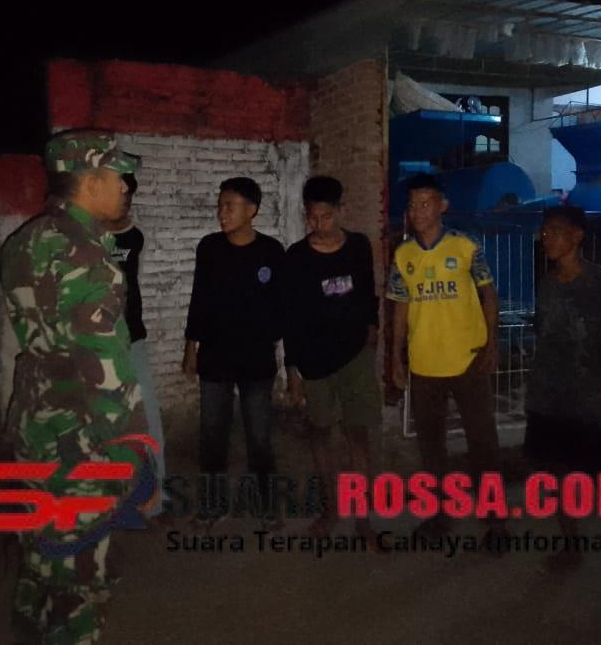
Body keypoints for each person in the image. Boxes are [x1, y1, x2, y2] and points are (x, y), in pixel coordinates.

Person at [0, 129, 155, 644]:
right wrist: (134, 457)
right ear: (89, 182)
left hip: (34, 422)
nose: (125, 185)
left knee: (41, 549)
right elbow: (106, 375)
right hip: (80, 439)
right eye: (118, 175)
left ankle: (33, 625)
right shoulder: (90, 261)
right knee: (83, 573)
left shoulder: (23, 242)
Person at [526, 204, 601, 599]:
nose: (547, 238)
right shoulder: (547, 283)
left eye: (555, 231)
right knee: (555, 473)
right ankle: (571, 545)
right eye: (545, 232)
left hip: (587, 401)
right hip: (547, 399)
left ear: (577, 236)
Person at [386, 172, 509, 549]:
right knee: (431, 446)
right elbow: (400, 308)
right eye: (412, 205)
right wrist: (396, 356)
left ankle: (496, 521)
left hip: (468, 359)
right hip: (425, 365)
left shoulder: (466, 246)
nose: (417, 211)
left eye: (425, 203)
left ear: (443, 206)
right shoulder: (403, 255)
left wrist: (491, 343)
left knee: (482, 442)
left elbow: (489, 294)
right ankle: (440, 515)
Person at [283, 176, 383, 543]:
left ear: (341, 211)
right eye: (312, 217)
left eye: (326, 216)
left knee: (358, 433)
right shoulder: (296, 257)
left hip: (355, 355)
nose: (319, 224)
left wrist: (372, 330)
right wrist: (293, 371)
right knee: (320, 433)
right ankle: (331, 508)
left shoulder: (358, 246)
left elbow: (368, 293)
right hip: (314, 360)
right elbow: (290, 317)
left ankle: (363, 515)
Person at [183, 177, 285, 530]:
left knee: (259, 436)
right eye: (220, 206)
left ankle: (266, 504)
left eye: (229, 206)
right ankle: (212, 505)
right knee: (212, 435)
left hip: (256, 360)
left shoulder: (271, 251)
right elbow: (199, 298)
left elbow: (281, 306)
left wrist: (273, 342)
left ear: (251, 210)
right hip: (215, 358)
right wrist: (191, 347)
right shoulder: (209, 248)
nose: (221, 213)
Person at [107, 171, 171, 524]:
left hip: (133, 338)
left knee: (148, 420)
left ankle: (156, 500)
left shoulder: (135, 236)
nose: (125, 201)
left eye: (129, 196)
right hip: (96, 344)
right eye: (120, 194)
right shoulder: (85, 235)